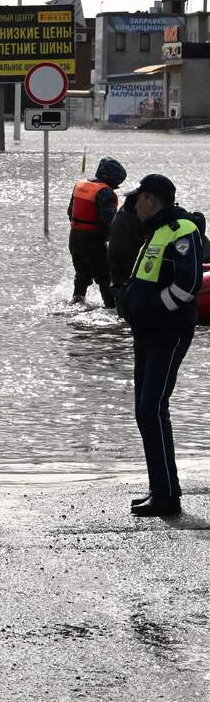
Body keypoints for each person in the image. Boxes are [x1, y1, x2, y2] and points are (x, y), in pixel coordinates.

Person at [117, 175, 203, 517]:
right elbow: (148, 277)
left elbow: (190, 283)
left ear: (152, 200)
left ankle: (167, 494)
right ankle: (161, 488)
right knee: (144, 410)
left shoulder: (182, 230)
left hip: (168, 334)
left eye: (139, 199)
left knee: (152, 408)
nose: (135, 204)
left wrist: (153, 308)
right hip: (149, 333)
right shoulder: (157, 230)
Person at [67, 157, 126, 307]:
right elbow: (109, 221)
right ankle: (110, 307)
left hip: (74, 236)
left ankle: (77, 299)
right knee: (104, 275)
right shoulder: (105, 192)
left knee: (82, 272)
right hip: (93, 239)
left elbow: (70, 211)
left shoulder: (80, 185)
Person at [107, 192, 143, 303]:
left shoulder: (122, 211)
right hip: (127, 252)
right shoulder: (139, 215)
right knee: (129, 285)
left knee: (118, 286)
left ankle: (116, 310)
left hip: (113, 251)